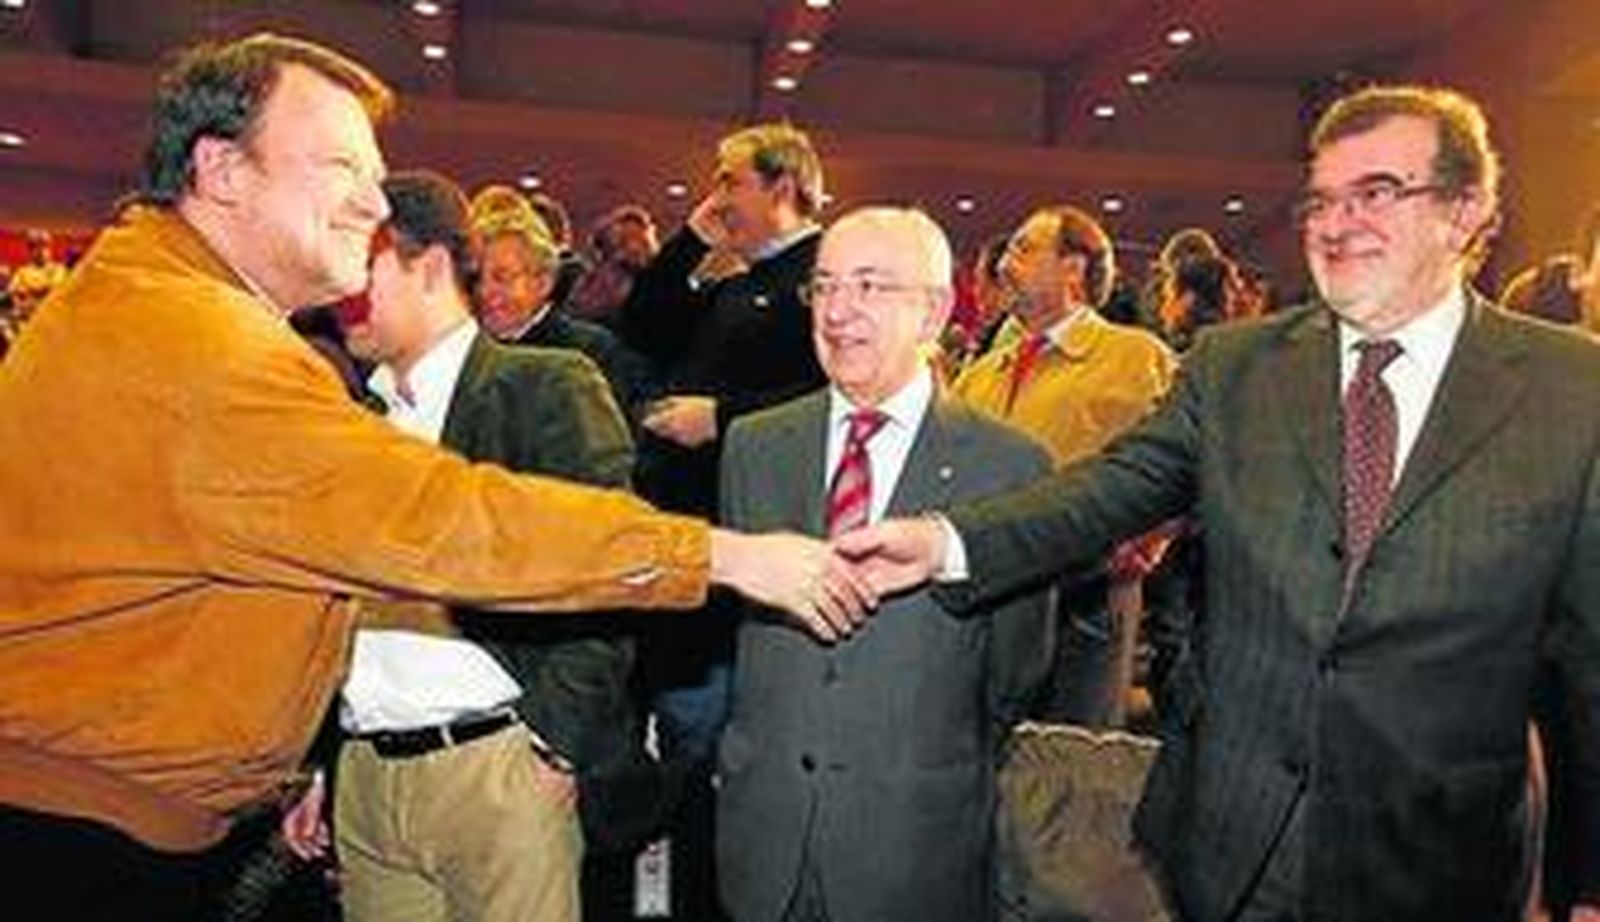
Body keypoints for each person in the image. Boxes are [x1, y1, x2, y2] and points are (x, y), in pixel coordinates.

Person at [0, 33, 865, 922]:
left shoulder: (149, 303)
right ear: (222, 168)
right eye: (342, 165)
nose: (374, 203)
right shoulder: (201, 344)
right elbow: (440, 522)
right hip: (79, 836)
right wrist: (725, 556)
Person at [838, 83, 1600, 921]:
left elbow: (1591, 663)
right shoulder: (1234, 367)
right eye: (1319, 199)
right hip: (1230, 845)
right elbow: (1107, 489)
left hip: (1437, 856)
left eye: (1376, 192)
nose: (1335, 223)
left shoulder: (1574, 390)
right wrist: (948, 541)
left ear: (1465, 213)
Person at [321, 169, 644, 922]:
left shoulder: (545, 386)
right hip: (367, 773)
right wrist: (322, 766)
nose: (334, 288)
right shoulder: (353, 420)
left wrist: (555, 742)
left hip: (497, 766)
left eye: (357, 265)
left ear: (430, 265)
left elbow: (614, 565)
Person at [717, 206, 1053, 922]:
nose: (837, 312)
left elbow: (1016, 672)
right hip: (764, 837)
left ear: (933, 313)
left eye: (869, 286)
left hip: (914, 845)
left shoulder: (1012, 467)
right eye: (825, 286)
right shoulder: (754, 445)